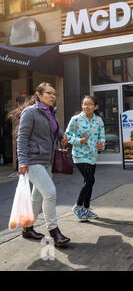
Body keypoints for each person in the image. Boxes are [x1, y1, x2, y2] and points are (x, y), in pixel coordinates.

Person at [13, 82, 70, 247]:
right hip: (33, 160)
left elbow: (53, 130)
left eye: (54, 93)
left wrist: (61, 134)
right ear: (38, 94)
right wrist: (22, 161)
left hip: (47, 160)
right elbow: (22, 138)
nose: (53, 96)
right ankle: (54, 232)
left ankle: (27, 229)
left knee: (37, 197)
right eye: (49, 93)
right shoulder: (30, 112)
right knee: (50, 193)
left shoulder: (52, 112)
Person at [64, 96, 105, 222]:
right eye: (84, 104)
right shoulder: (76, 119)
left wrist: (101, 144)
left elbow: (102, 136)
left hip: (92, 155)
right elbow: (67, 136)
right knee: (90, 180)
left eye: (90, 104)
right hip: (80, 154)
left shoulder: (98, 120)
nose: (86, 107)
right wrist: (78, 141)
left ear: (95, 106)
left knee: (90, 182)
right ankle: (77, 206)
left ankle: (86, 209)